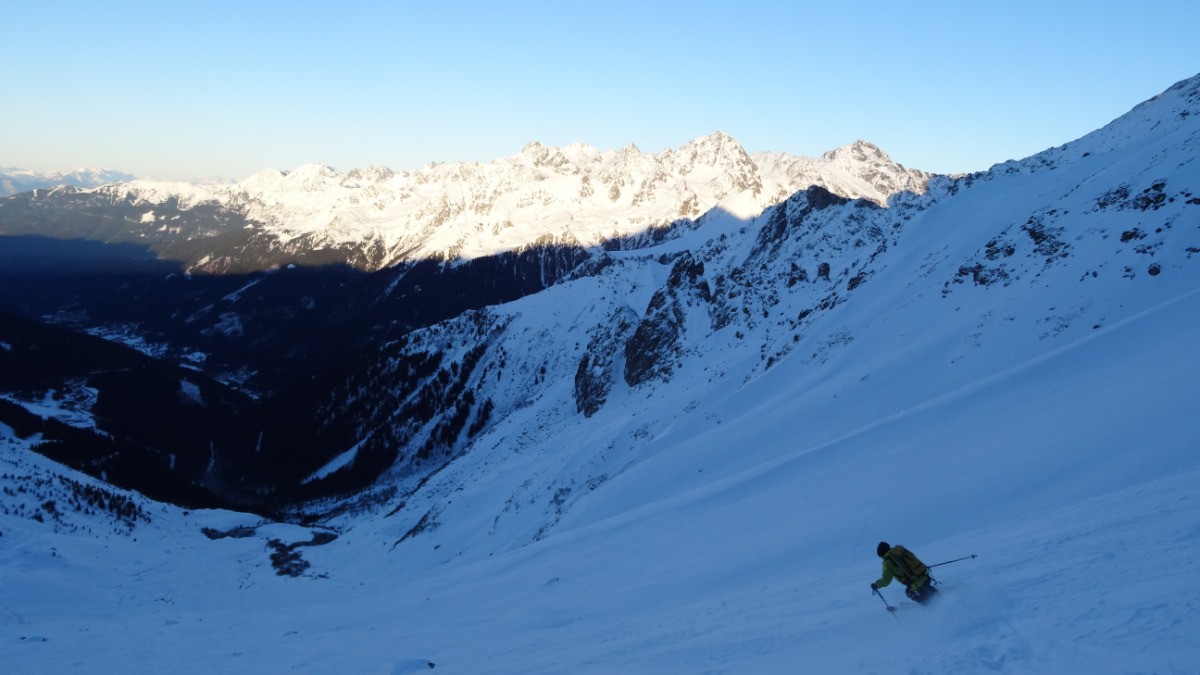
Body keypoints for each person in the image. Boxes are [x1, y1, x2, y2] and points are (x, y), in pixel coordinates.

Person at [871, 541, 938, 604]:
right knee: (927, 588)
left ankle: (929, 605)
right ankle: (938, 596)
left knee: (909, 592)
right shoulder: (899, 551)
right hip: (924, 575)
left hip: (915, 583)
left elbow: (886, 580)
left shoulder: (887, 564)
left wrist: (876, 585)